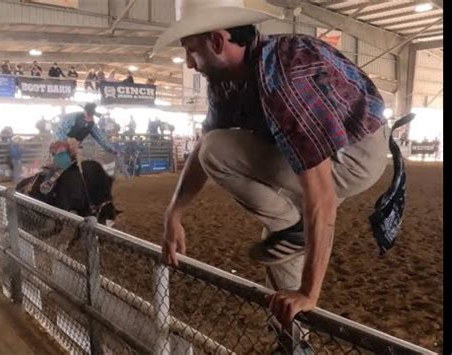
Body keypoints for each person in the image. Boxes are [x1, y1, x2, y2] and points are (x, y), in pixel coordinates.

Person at [153, 0, 392, 332]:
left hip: (353, 156)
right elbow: (203, 147)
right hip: (333, 147)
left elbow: (321, 197)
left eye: (192, 51)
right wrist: (174, 212)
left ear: (219, 41)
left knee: (220, 154)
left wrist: (310, 291)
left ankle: (291, 234)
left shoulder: (286, 78)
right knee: (275, 244)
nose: (190, 64)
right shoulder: (227, 80)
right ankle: (295, 338)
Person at [40, 103, 118, 194]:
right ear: (86, 111)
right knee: (62, 161)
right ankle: (46, 183)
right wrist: (64, 143)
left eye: (91, 113)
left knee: (75, 167)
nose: (90, 115)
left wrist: (110, 148)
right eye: (89, 112)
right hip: (61, 144)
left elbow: (100, 137)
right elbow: (61, 130)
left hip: (74, 148)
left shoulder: (91, 124)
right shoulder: (73, 117)